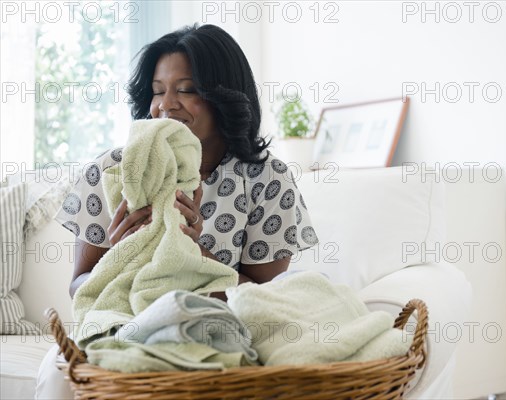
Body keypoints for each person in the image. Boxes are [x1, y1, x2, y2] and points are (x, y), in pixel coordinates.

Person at [36, 24, 319, 399]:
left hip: (211, 334)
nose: (165, 105)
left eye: (186, 89)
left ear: (225, 96)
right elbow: (79, 287)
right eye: (157, 91)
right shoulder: (114, 172)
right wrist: (121, 256)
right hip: (117, 326)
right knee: (61, 371)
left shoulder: (267, 180)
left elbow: (264, 303)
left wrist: (192, 253)